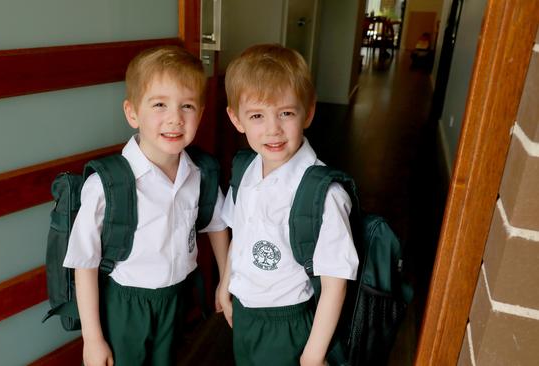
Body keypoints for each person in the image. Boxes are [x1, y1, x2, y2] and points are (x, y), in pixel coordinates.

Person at [63, 45, 229, 366]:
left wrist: (225, 279)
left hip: (174, 297)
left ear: (201, 114)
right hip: (126, 302)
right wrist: (93, 340)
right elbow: (84, 264)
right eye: (159, 105)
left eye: (187, 106)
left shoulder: (199, 173)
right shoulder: (108, 185)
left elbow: (217, 224)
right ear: (132, 113)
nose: (174, 119)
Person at [218, 44, 359, 366]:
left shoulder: (322, 193)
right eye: (257, 115)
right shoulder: (246, 169)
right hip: (245, 310)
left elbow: (336, 282)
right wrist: (226, 284)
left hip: (289, 321)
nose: (273, 129)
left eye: (286, 113)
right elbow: (239, 234)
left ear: (308, 112)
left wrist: (313, 354)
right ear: (236, 119)